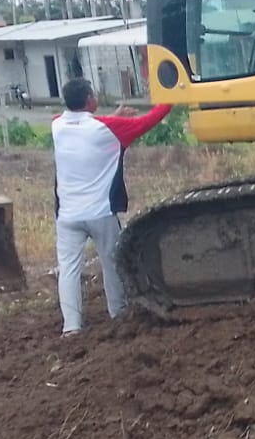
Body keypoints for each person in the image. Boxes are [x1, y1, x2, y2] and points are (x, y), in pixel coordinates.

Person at [52, 78, 172, 335]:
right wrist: (172, 94)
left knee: (68, 270)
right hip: (101, 213)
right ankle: (118, 313)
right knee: (112, 263)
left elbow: (86, 123)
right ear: (89, 100)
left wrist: (112, 117)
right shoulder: (109, 130)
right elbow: (150, 120)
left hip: (67, 216)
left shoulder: (57, 125)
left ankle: (71, 327)